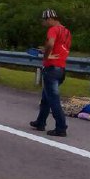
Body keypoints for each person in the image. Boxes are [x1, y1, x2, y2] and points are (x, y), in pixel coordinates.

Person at [29, 9, 71, 137]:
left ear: (49, 19)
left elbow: (51, 44)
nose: (44, 23)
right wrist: (46, 51)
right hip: (61, 69)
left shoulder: (53, 29)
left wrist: (46, 56)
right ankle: (40, 122)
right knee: (46, 98)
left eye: (44, 20)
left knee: (53, 100)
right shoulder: (66, 31)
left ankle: (61, 127)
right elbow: (61, 48)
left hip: (52, 69)